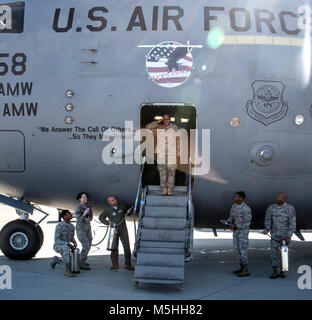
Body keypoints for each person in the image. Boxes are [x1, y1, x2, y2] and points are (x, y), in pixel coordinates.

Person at [262, 192, 296, 279]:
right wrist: (267, 229)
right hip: (274, 235)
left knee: (284, 254)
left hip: (285, 235)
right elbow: (268, 219)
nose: (277, 198)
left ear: (284, 198)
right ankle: (274, 271)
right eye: (277, 196)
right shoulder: (271, 207)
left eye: (279, 197)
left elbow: (292, 223)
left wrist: (289, 235)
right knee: (274, 253)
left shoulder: (290, 208)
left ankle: (282, 271)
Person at [145, 114, 180, 196]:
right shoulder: (158, 128)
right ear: (162, 120)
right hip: (161, 154)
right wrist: (158, 122)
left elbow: (178, 140)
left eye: (167, 119)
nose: (166, 121)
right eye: (164, 119)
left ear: (170, 120)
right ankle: (164, 189)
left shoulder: (174, 128)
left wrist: (178, 152)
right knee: (162, 172)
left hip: (172, 153)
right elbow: (147, 128)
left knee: (171, 172)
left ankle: (170, 189)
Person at [221, 191, 252, 277]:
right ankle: (241, 267)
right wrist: (228, 222)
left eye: (236, 197)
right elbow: (231, 217)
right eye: (235, 196)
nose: (234, 198)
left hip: (243, 233)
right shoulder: (234, 207)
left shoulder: (246, 208)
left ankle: (245, 269)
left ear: (241, 198)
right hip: (236, 232)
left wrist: (236, 226)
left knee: (243, 250)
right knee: (236, 249)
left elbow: (247, 223)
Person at [99, 196, 134, 270]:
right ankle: (114, 264)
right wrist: (107, 222)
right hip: (114, 229)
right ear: (109, 203)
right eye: (113, 200)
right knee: (114, 247)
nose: (115, 201)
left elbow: (128, 212)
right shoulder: (107, 209)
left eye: (115, 199)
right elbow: (101, 218)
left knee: (126, 246)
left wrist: (128, 212)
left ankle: (128, 264)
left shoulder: (122, 206)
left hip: (123, 228)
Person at [51, 210, 77, 277]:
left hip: (67, 246)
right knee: (66, 249)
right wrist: (66, 244)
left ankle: (56, 260)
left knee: (71, 258)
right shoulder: (59, 226)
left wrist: (74, 243)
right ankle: (67, 271)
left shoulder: (71, 226)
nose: (71, 215)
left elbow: (71, 237)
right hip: (58, 245)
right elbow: (56, 240)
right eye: (69, 214)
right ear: (64, 216)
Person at [74, 192, 93, 270]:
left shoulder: (89, 206)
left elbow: (91, 217)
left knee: (89, 244)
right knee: (86, 245)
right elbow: (78, 220)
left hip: (87, 228)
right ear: (80, 199)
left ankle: (82, 261)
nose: (85, 199)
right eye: (83, 197)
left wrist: (89, 218)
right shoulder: (78, 208)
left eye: (86, 197)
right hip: (81, 229)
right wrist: (84, 214)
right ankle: (81, 262)